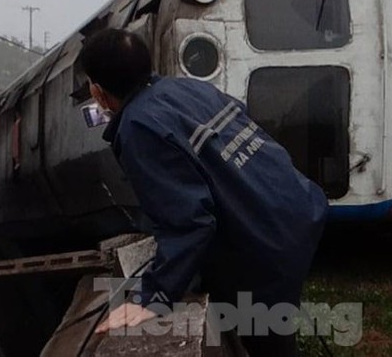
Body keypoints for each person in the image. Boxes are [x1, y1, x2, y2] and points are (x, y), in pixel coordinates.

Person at [80, 28, 328, 356]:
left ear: (98, 92)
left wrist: (153, 297)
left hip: (265, 243)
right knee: (267, 331)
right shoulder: (185, 87)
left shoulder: (139, 127)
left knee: (266, 339)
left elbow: (188, 220)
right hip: (296, 206)